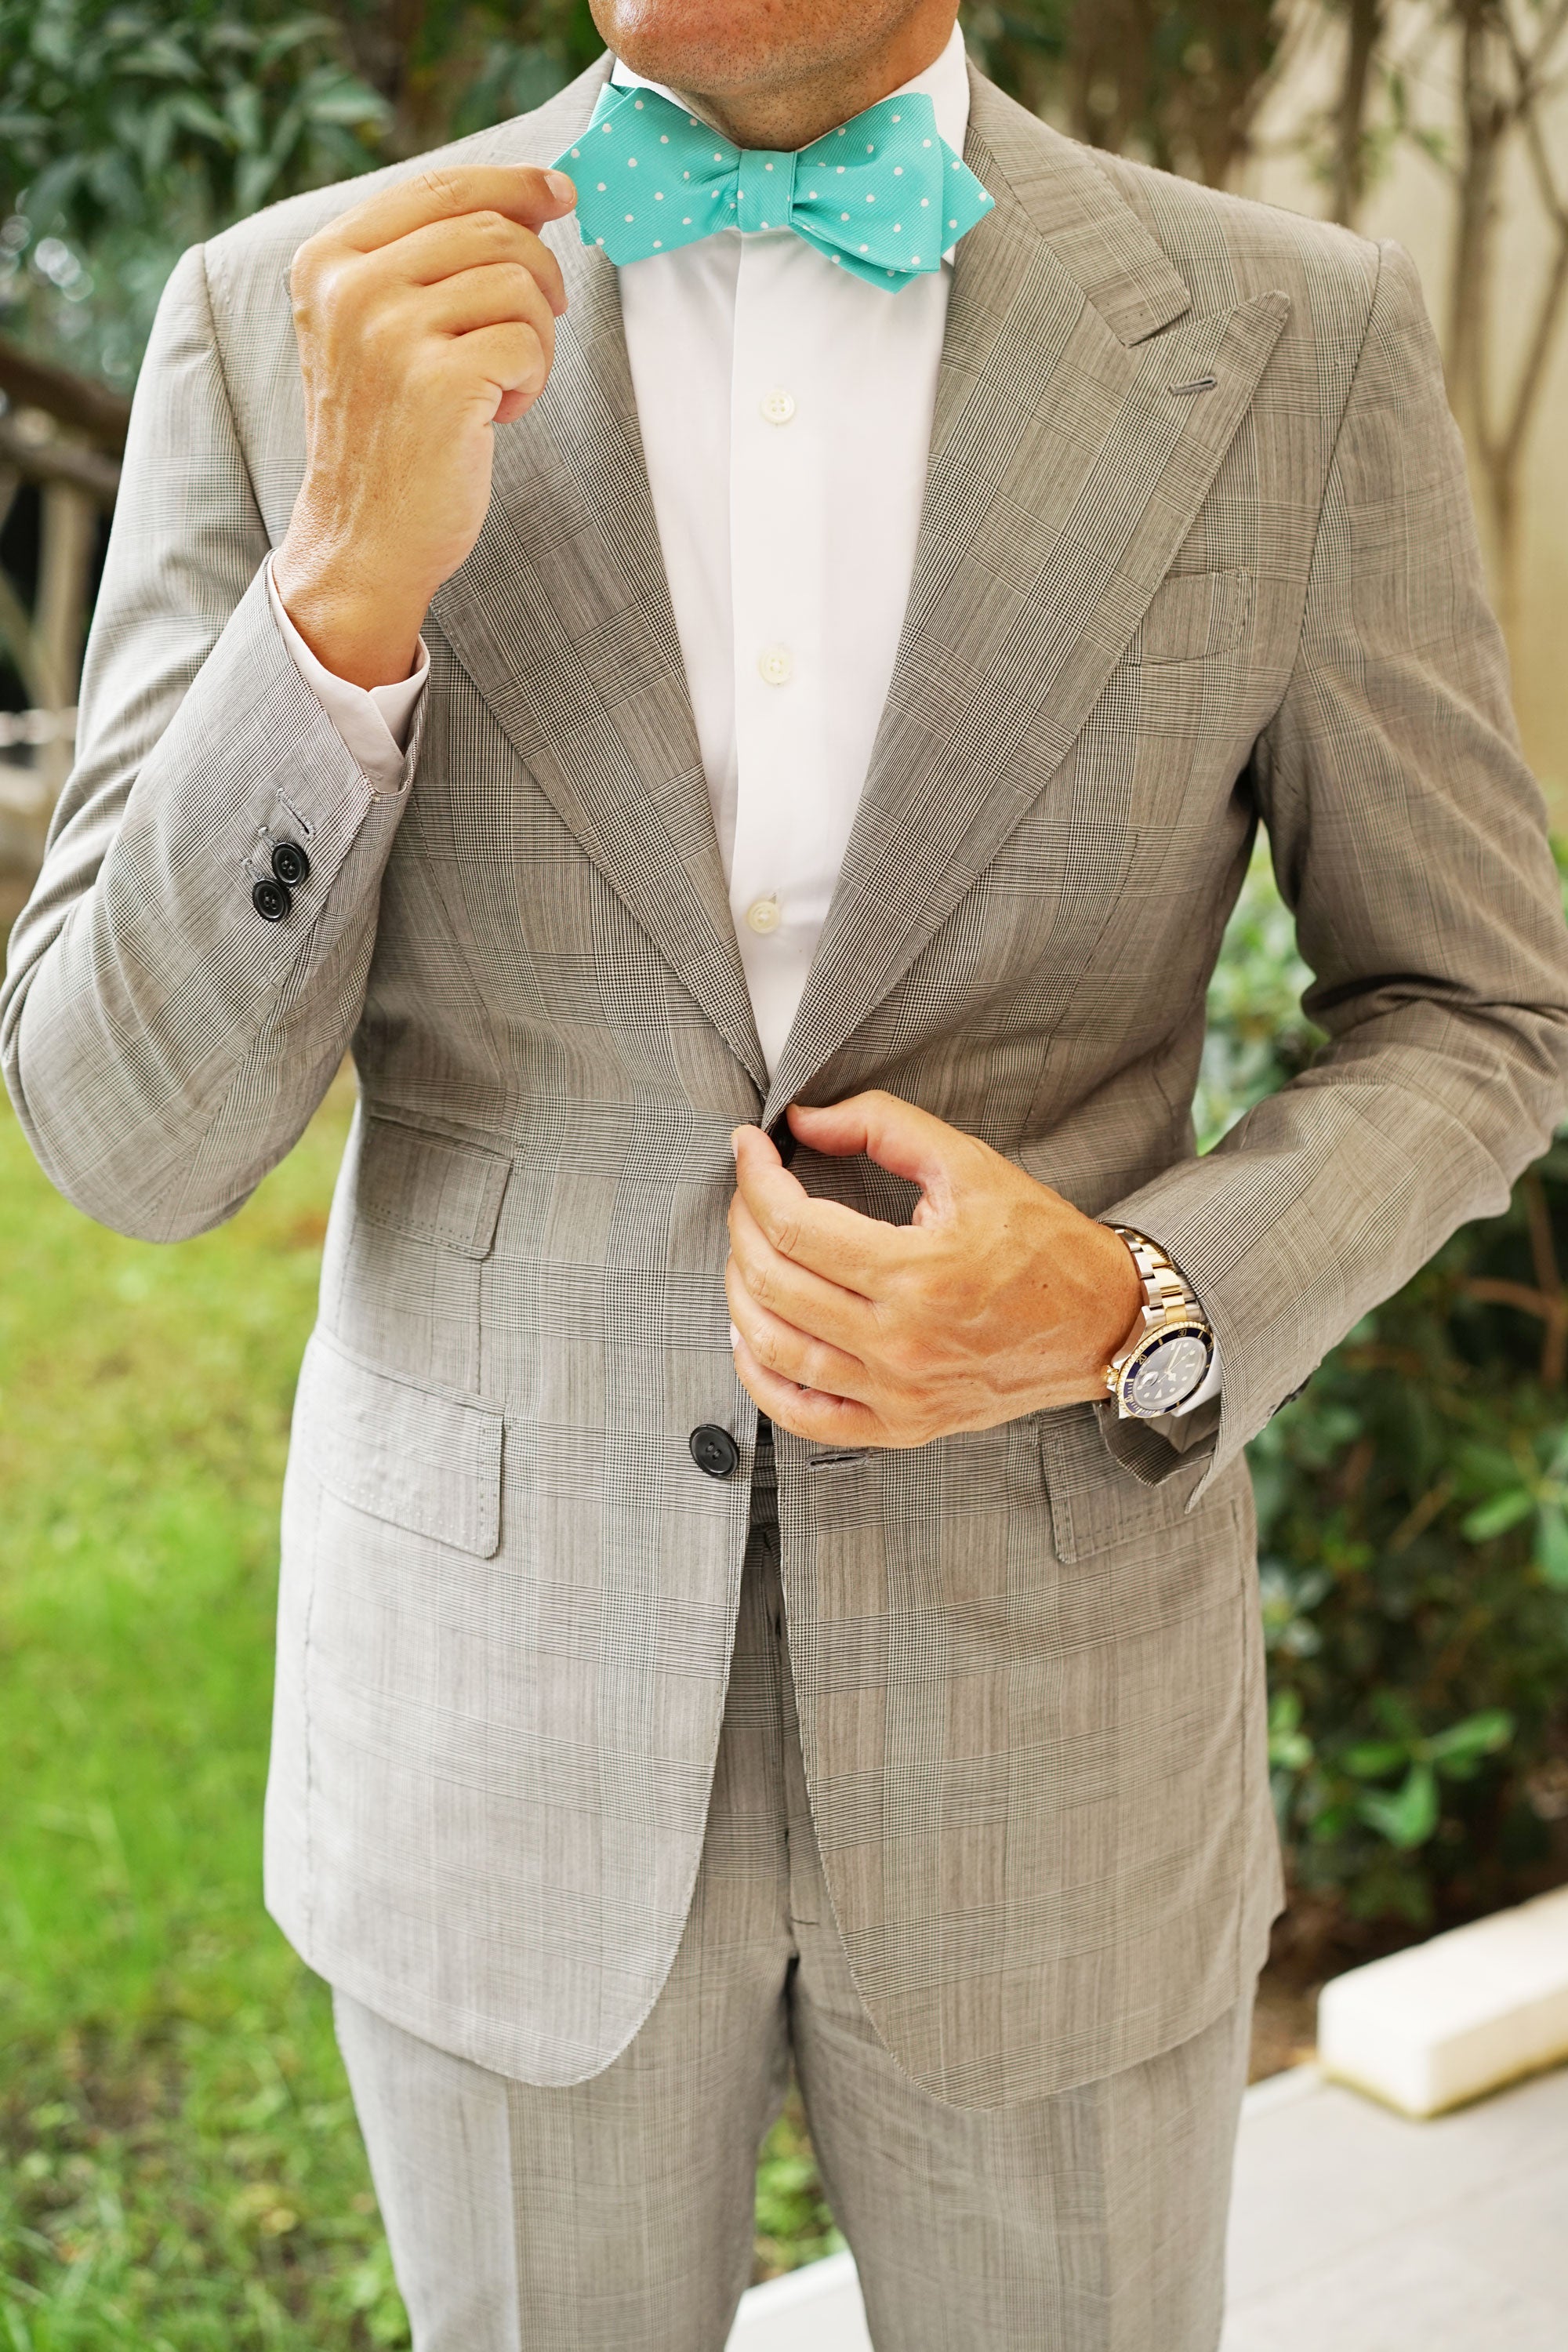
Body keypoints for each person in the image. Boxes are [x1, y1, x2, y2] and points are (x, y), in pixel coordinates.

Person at [5, 0, 1568, 2343]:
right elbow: (127, 1141)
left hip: (1057, 1754)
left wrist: (1130, 1298)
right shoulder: (282, 319)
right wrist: (334, 596)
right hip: (494, 1746)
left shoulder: (1289, 344)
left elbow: (1480, 1011)